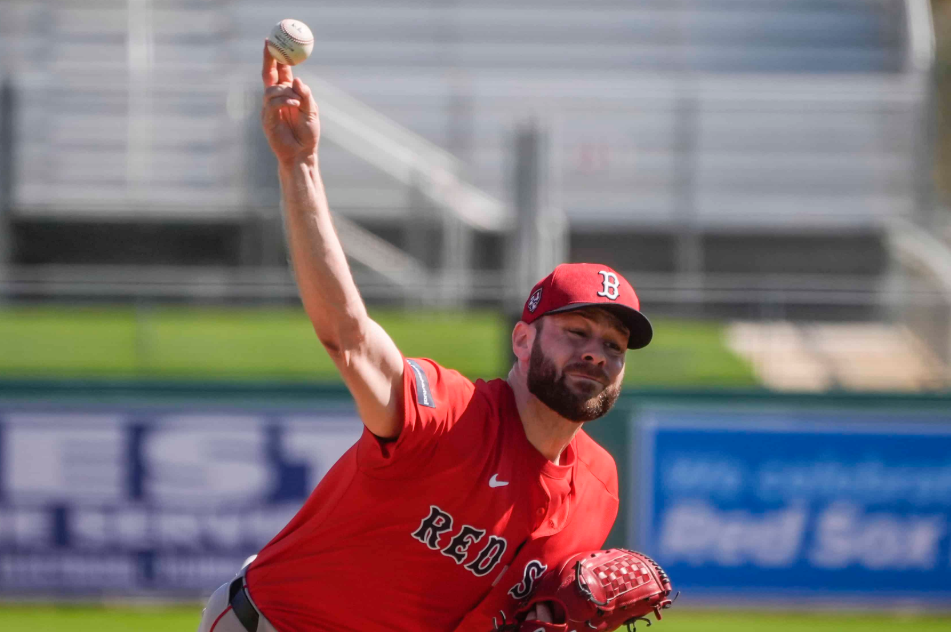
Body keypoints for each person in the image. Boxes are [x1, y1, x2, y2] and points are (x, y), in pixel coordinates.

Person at [196, 42, 653, 632]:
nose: (596, 351)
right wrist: (300, 166)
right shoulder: (447, 412)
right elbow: (350, 338)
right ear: (521, 340)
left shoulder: (598, 486)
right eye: (575, 331)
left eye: (615, 346)